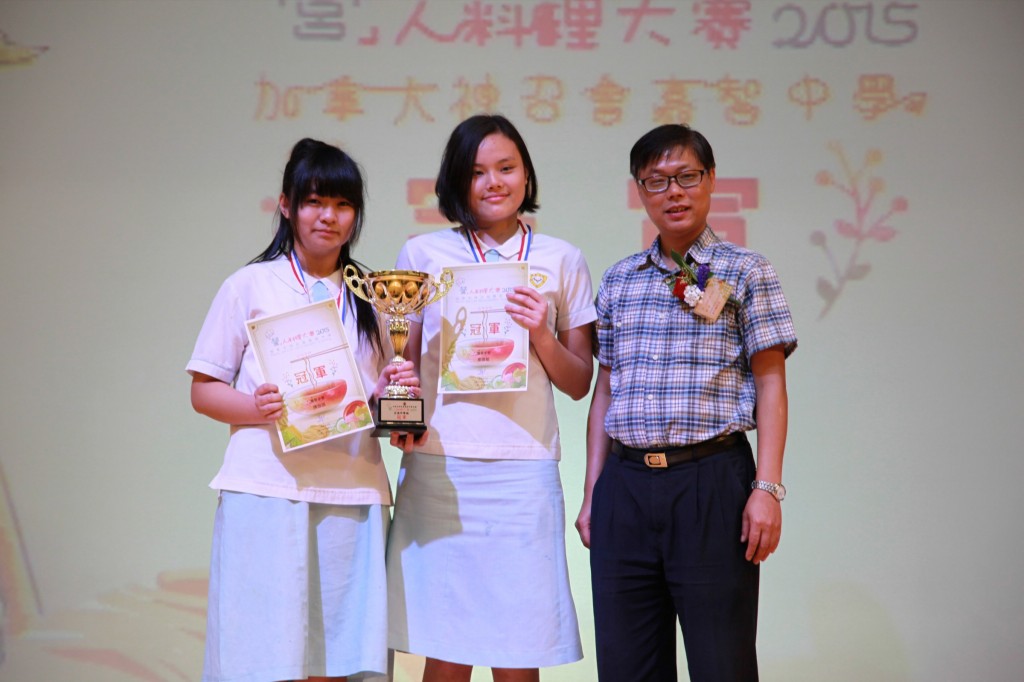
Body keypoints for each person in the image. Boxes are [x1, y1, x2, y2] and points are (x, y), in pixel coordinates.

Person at [187, 138, 421, 682]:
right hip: (267, 490)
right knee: (261, 654)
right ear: (287, 205)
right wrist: (253, 407)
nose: (328, 216)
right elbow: (203, 390)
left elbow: (370, 405)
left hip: (351, 494)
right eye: (314, 202)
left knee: (337, 657)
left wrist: (390, 395)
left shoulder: (374, 296)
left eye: (342, 204)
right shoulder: (249, 285)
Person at [575, 123, 798, 681]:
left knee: (721, 664)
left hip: (711, 483)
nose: (673, 192)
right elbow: (606, 390)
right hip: (625, 487)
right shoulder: (620, 279)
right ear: (640, 190)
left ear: (711, 179)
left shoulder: (746, 271)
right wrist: (592, 491)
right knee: (626, 667)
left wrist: (767, 489)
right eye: (656, 181)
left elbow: (771, 382)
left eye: (686, 177)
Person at [386, 114, 594, 682]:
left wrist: (542, 334)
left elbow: (579, 381)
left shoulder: (561, 258)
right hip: (441, 466)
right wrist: (398, 406)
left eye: (506, 168)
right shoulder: (423, 254)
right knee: (445, 645)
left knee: (517, 646)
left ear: (526, 174)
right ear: (456, 179)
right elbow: (401, 364)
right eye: (477, 172)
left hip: (523, 471)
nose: (493, 182)